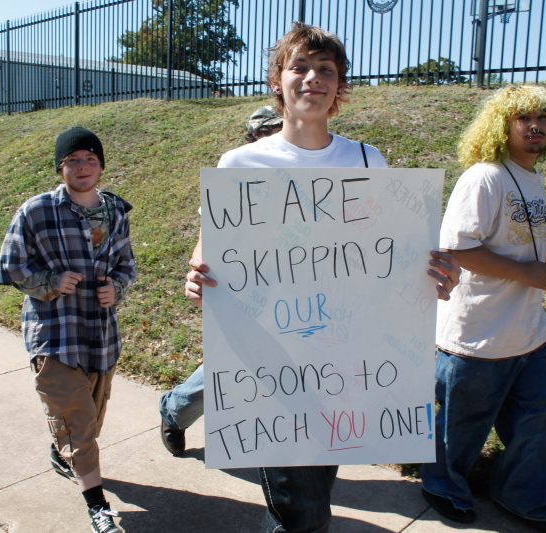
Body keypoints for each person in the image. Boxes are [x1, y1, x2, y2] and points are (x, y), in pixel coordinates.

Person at [182, 23, 460, 532]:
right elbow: (213, 244)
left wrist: (437, 272)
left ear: (339, 87)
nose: (313, 78)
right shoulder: (240, 164)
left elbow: (394, 249)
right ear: (278, 80)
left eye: (326, 70)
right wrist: (197, 273)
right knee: (302, 509)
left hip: (345, 358)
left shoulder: (365, 160)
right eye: (300, 67)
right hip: (270, 354)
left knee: (313, 485)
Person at [420, 85, 546, 531]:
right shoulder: (484, 177)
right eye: (523, 118)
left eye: (543, 118)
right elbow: (456, 248)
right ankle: (441, 487)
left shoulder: (531, 177)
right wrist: (526, 274)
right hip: (477, 335)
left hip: (529, 334)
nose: (535, 126)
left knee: (540, 423)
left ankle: (522, 496)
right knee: (460, 430)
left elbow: (513, 246)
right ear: (501, 125)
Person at [0, 126, 136, 533]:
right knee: (77, 419)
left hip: (99, 336)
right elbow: (12, 265)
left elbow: (127, 266)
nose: (82, 167)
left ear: (101, 165)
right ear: (61, 169)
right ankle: (98, 505)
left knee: (88, 421)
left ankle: (64, 453)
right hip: (55, 333)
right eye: (72, 160)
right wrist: (52, 282)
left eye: (89, 159)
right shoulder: (36, 211)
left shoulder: (115, 211)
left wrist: (117, 287)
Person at [159, 106, 284, 457]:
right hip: (242, 287)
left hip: (293, 287)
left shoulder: (304, 175)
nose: (270, 138)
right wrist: (201, 265)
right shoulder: (235, 174)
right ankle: (175, 410)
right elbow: (209, 229)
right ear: (253, 138)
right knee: (230, 364)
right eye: (264, 133)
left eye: (276, 130)